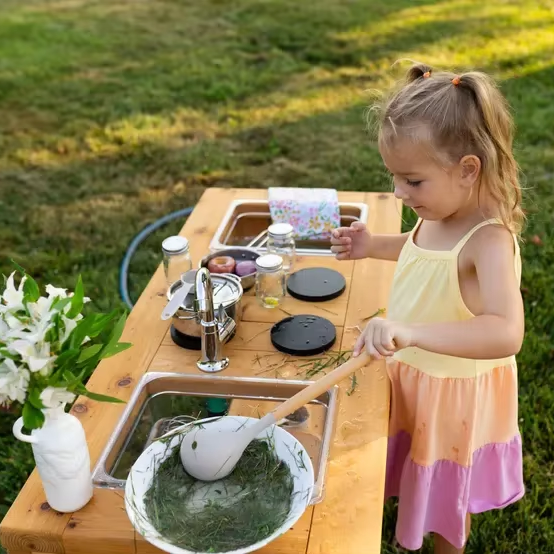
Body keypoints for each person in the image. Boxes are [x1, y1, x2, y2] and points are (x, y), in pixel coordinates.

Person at [331, 62, 525, 554]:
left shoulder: (489, 240)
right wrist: (372, 246)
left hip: (452, 395)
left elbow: (506, 331)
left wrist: (413, 332)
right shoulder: (443, 209)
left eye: (412, 181)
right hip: (417, 374)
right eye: (394, 177)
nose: (398, 192)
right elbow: (424, 250)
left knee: (446, 491)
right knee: (415, 461)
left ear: (467, 169)